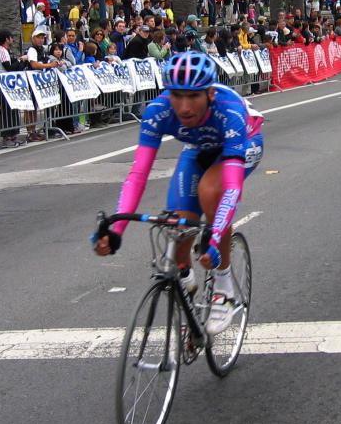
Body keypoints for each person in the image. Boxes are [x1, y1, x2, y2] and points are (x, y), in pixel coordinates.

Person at [94, 52, 264, 335]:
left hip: (243, 145)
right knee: (179, 224)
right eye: (177, 95)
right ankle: (186, 284)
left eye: (193, 97)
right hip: (198, 148)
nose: (184, 108)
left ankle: (224, 287)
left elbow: (232, 187)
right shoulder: (158, 111)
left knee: (211, 192)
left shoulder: (229, 109)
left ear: (210, 93)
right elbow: (138, 176)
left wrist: (215, 233)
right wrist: (117, 230)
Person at [0, 29, 29, 148]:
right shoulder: (1, 51)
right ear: (7, 39)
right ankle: (6, 137)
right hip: (3, 87)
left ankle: (13, 135)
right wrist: (20, 60)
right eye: (11, 38)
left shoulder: (6, 51)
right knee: (6, 113)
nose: (12, 40)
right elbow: (9, 68)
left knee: (13, 111)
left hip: (9, 87)